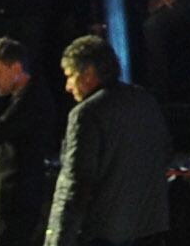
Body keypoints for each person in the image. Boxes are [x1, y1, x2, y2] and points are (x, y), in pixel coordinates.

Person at [45, 33, 173, 244]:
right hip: (149, 228)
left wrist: (57, 240)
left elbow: (76, 183)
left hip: (104, 234)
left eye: (70, 76)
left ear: (88, 73)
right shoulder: (145, 100)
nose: (67, 87)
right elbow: (164, 154)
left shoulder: (86, 114)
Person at [0, 38, 65, 246]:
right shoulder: (17, 97)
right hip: (10, 197)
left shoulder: (32, 98)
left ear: (16, 68)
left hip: (13, 199)